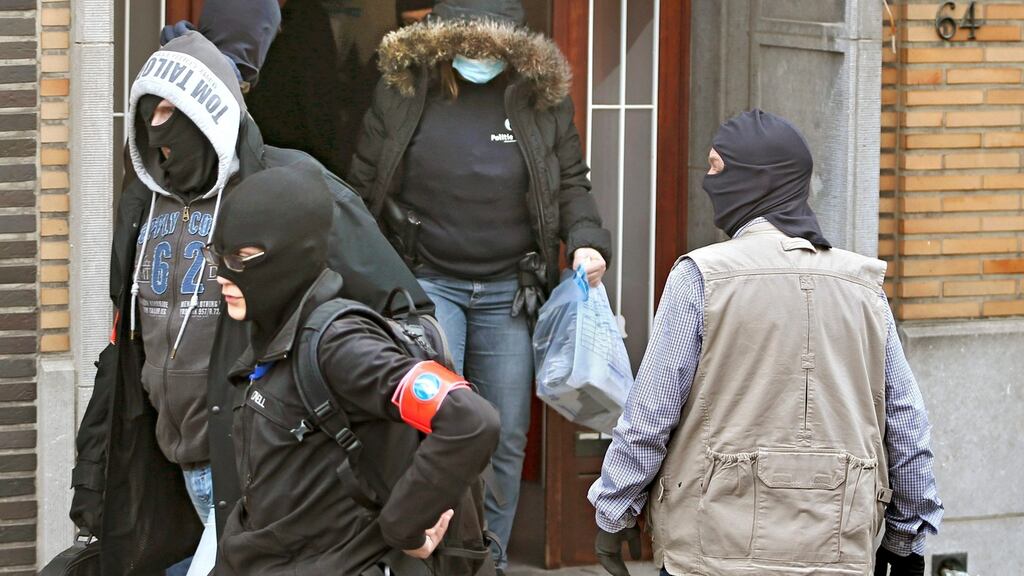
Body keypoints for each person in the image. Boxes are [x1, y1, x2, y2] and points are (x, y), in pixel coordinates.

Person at [69, 25, 434, 575]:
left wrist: (412, 474)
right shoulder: (143, 202)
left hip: (264, 468)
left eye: (175, 110)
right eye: (152, 110)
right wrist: (97, 473)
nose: (159, 127)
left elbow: (408, 318)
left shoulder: (292, 191)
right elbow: (125, 341)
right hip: (168, 465)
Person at [587, 110, 943, 576]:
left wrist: (614, 514)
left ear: (753, 180)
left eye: (716, 168)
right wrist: (905, 539)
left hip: (713, 550)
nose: (707, 182)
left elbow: (651, 415)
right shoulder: (864, 287)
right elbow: (906, 423)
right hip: (837, 547)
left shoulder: (701, 277)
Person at [349, 1, 612, 570]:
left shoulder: (538, 95)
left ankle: (482, 561)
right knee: (430, 428)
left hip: (508, 291)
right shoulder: (405, 89)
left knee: (504, 435)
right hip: (427, 284)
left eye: (496, 45)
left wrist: (587, 238)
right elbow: (365, 182)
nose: (482, 56)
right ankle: (428, 556)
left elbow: (570, 181)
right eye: (470, 42)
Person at [209, 165, 501, 575]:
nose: (221, 275)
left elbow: (470, 420)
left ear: (295, 254)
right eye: (217, 255)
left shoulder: (341, 344)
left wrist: (404, 525)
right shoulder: (269, 334)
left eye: (241, 257)